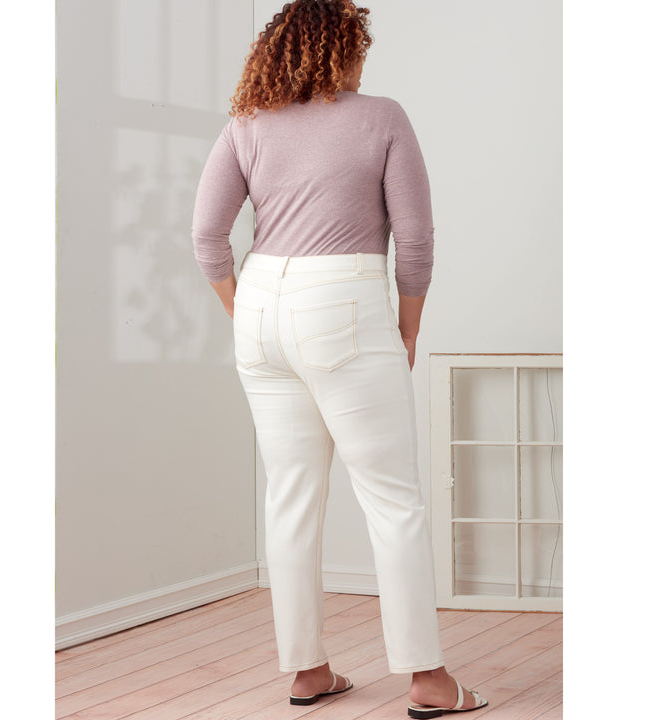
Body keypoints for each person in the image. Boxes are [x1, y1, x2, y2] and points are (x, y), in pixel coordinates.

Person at [192, 1, 488, 716]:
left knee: (290, 496)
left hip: (263, 307)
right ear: (345, 49)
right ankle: (426, 679)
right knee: (392, 498)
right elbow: (414, 241)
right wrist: (407, 327)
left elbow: (208, 237)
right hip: (345, 302)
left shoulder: (248, 123)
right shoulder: (381, 116)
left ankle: (308, 670)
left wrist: (251, 315)